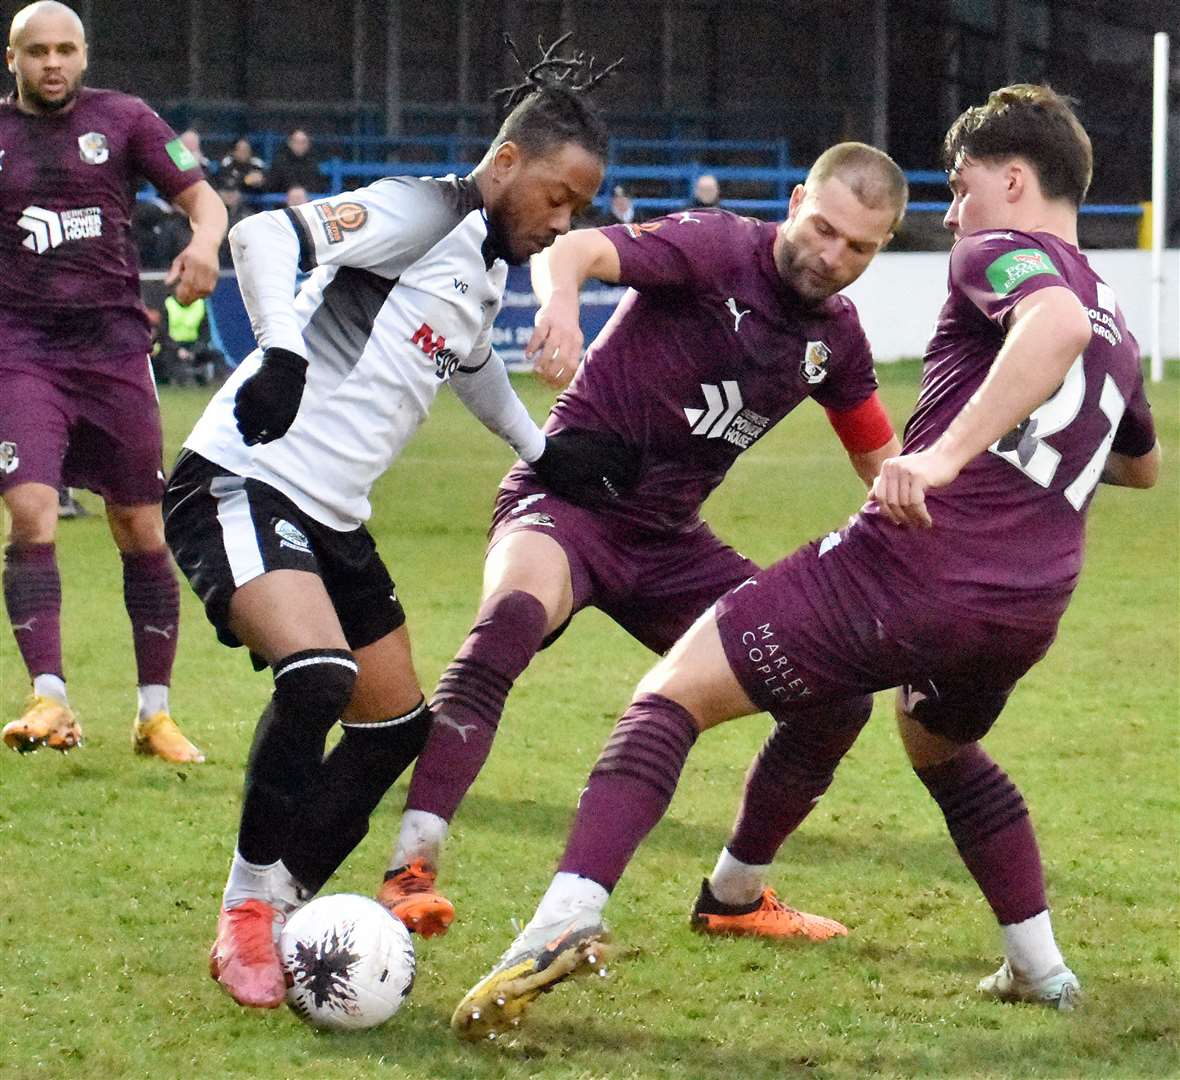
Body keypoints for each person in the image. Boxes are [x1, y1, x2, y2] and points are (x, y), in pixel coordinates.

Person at [451, 84, 1160, 1038]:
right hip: (1032, 603)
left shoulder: (998, 252)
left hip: (914, 569)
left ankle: (563, 917)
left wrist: (944, 456)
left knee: (670, 696)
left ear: (1014, 178)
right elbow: (1139, 463)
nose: (953, 214)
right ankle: (1038, 967)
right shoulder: (1114, 308)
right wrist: (1020, 444)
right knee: (940, 746)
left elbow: (1049, 329)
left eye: (960, 189)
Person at [162, 33, 621, 1011]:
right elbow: (262, 240)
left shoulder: (487, 261)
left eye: (577, 209)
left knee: (395, 723)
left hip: (333, 516)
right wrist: (281, 352)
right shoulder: (423, 208)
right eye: (556, 197)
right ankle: (243, 913)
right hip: (243, 479)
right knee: (320, 675)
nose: (561, 221)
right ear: (505, 163)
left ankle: (286, 905)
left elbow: (467, 362)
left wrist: (542, 453)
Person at [376, 141, 906, 939]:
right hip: (568, 502)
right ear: (797, 201)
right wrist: (559, 303)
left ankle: (734, 897)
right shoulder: (717, 246)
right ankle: (409, 869)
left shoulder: (836, 337)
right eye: (824, 228)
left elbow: (881, 462)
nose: (833, 256)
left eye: (859, 246)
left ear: (882, 247)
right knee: (511, 620)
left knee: (835, 695)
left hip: (667, 545)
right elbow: (579, 245)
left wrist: (949, 530)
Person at [0, 1, 225, 762]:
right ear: (13, 60)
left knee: (141, 529)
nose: (52, 63)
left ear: (85, 56)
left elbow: (203, 199)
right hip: (20, 351)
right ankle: (50, 699)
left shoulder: (124, 119)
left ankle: (153, 715)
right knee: (31, 513)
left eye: (65, 50)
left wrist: (202, 242)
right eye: (37, 52)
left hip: (114, 354)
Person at [265, 128, 325, 196]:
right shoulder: (280, 161)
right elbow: (272, 185)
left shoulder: (313, 163)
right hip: (282, 203)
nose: (299, 145)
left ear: (308, 144)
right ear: (289, 143)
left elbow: (318, 186)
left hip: (307, 202)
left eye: (303, 142)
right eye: (296, 142)